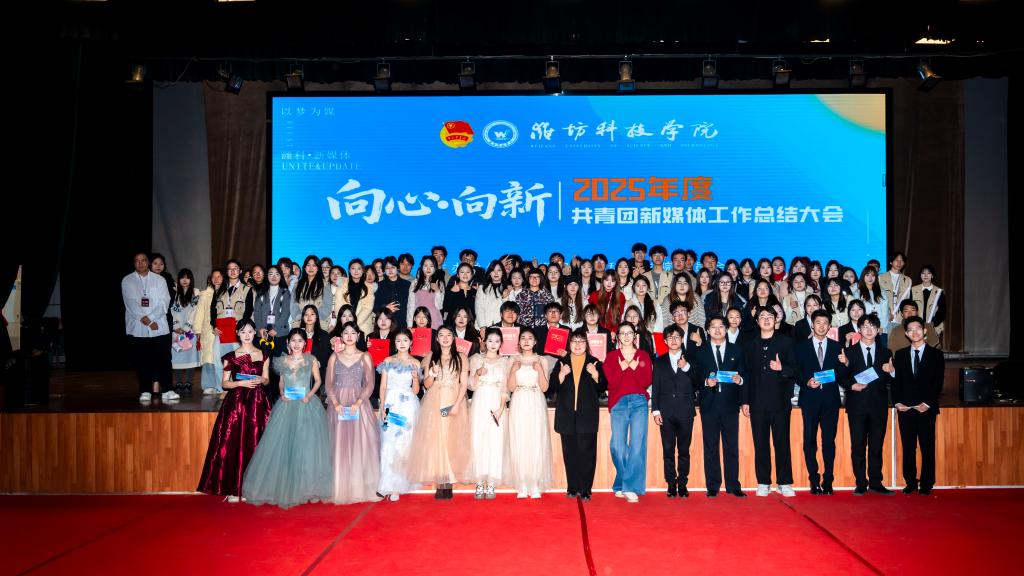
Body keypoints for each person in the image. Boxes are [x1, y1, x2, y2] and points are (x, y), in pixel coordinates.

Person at [241, 329, 332, 509]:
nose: (296, 344)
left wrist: (309, 395)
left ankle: (309, 488)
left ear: (305, 343)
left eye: (300, 340)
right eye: (293, 340)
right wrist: (282, 393)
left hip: (306, 404)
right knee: (286, 446)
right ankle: (285, 486)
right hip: (287, 405)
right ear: (288, 343)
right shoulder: (283, 361)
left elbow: (318, 381)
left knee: (307, 447)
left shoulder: (311, 359)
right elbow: (281, 382)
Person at [197, 319, 272, 501]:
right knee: (233, 443)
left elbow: (267, 379)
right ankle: (232, 488)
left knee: (255, 442)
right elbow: (225, 383)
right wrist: (240, 383)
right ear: (237, 333)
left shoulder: (263, 354)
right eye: (243, 331)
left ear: (255, 333)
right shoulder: (230, 356)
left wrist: (261, 380)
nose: (247, 335)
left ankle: (250, 487)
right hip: (236, 403)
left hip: (257, 403)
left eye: (250, 331)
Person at [406, 326, 471, 499]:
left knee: (451, 438)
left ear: (453, 338)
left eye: (449, 335)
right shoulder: (430, 356)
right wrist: (433, 373)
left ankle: (449, 479)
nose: (445, 338)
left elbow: (464, 384)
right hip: (435, 401)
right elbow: (427, 385)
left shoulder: (461, 357)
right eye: (441, 335)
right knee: (438, 438)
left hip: (453, 400)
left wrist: (457, 404)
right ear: (437, 338)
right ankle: (441, 479)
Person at [743, 306, 798, 497]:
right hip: (757, 402)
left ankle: (784, 482)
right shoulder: (750, 345)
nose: (766, 319)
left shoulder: (786, 343)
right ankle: (763, 482)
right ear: (757, 321)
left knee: (782, 442)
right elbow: (746, 375)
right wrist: (745, 401)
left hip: (780, 401)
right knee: (760, 443)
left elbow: (795, 369)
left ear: (776, 320)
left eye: (770, 316)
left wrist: (782, 368)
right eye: (762, 317)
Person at [325, 322, 382, 504]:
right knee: (339, 444)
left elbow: (370, 384)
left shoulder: (365, 356)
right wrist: (335, 403)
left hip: (359, 404)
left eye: (353, 333)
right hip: (338, 405)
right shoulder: (334, 357)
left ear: (358, 335)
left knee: (360, 444)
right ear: (341, 336)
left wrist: (358, 401)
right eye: (346, 332)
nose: (349, 336)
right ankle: (340, 486)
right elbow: (328, 384)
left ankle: (358, 486)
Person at [838, 313, 894, 496]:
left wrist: (892, 371)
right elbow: (841, 376)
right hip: (857, 405)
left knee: (876, 446)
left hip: (878, 406)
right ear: (859, 329)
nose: (869, 330)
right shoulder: (849, 352)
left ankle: (876, 482)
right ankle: (861, 482)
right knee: (858, 445)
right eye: (865, 326)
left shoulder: (886, 353)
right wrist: (851, 385)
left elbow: (890, 380)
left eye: (873, 327)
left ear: (878, 330)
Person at [888, 315, 944, 496]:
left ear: (924, 331)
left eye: (918, 328)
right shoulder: (900, 355)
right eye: (910, 330)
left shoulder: (936, 355)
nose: (914, 332)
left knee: (927, 447)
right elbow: (897, 382)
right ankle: (911, 482)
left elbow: (938, 383)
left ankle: (927, 483)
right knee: (908, 447)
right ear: (906, 333)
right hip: (906, 409)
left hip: (926, 409)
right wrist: (897, 402)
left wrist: (927, 403)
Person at [550, 328, 607, 501]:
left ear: (586, 344)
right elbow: (552, 387)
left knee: (587, 454)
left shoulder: (594, 362)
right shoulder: (562, 362)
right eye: (574, 341)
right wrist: (561, 375)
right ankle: (572, 487)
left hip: (586, 416)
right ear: (569, 344)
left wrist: (595, 374)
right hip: (566, 415)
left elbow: (603, 386)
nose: (577, 345)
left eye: (581, 341)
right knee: (570, 454)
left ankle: (586, 489)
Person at [795, 310, 847, 495]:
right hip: (809, 399)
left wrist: (846, 364)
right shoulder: (801, 347)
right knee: (809, 440)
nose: (822, 326)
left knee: (828, 441)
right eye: (818, 322)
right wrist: (806, 381)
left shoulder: (837, 346)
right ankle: (814, 480)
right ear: (812, 324)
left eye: (825, 323)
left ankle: (828, 480)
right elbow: (796, 371)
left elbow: (842, 374)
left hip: (830, 400)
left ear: (829, 326)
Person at [694, 317, 747, 498]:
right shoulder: (700, 351)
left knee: (731, 446)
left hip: (730, 404)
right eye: (713, 327)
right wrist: (704, 381)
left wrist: (740, 380)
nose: (717, 330)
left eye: (721, 326)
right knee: (710, 447)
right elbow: (694, 376)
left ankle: (733, 485)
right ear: (707, 330)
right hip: (709, 404)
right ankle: (713, 485)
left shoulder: (737, 350)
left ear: (726, 329)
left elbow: (744, 374)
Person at [603, 321, 653, 503]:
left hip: (639, 402)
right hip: (619, 403)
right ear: (617, 337)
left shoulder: (643, 356)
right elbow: (611, 382)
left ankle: (629, 487)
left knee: (637, 445)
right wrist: (623, 367)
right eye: (622, 333)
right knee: (617, 445)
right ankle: (623, 482)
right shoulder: (611, 357)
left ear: (635, 336)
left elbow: (646, 381)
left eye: (629, 333)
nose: (626, 336)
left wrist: (633, 367)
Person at [121, 252, 176, 402]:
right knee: (142, 360)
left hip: (159, 327)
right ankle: (145, 390)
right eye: (137, 261)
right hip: (138, 327)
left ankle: (168, 390)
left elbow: (164, 301)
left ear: (148, 262)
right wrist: (149, 322)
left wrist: (151, 319)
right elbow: (131, 304)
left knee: (164, 359)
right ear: (134, 263)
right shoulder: (127, 280)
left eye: (143, 260)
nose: (140, 263)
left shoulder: (159, 280)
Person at [505, 328, 553, 498]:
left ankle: (535, 483)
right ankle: (522, 483)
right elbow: (510, 387)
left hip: (535, 400)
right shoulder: (512, 359)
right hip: (519, 399)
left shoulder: (542, 360)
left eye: (530, 338)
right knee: (519, 440)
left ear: (535, 342)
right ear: (519, 342)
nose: (526, 341)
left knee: (536, 440)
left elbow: (545, 387)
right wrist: (513, 370)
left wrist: (539, 370)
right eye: (523, 338)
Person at [651, 323, 698, 498]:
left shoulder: (691, 358)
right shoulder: (659, 361)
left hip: (686, 411)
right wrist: (656, 410)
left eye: (677, 337)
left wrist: (686, 367)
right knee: (668, 450)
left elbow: (698, 382)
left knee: (684, 450)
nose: (673, 340)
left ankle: (683, 483)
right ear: (665, 341)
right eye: (670, 337)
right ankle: (671, 483)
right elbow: (656, 387)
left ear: (682, 339)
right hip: (666, 412)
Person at [377, 328, 422, 501]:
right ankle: (386, 483)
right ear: (394, 343)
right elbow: (382, 386)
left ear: (411, 342)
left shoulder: (415, 363)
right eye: (398, 340)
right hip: (390, 403)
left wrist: (416, 378)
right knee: (388, 442)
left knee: (403, 443)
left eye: (405, 340)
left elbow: (416, 390)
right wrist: (382, 407)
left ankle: (397, 485)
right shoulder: (388, 361)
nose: (402, 344)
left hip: (408, 406)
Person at [467, 328, 509, 499]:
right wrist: (477, 373)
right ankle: (479, 481)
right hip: (480, 400)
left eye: (497, 341)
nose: (493, 344)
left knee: (495, 441)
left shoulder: (505, 362)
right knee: (478, 439)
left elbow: (505, 388)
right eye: (490, 340)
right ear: (485, 342)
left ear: (501, 344)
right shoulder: (476, 359)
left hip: (496, 402)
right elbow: (471, 385)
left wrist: (501, 408)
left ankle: (491, 482)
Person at [170, 268, 201, 393]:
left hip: (190, 331)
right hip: (176, 331)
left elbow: (195, 311)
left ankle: (188, 381)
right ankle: (178, 381)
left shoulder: (195, 293)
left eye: (187, 278)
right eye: (182, 277)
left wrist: (187, 327)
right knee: (177, 356)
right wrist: (176, 326)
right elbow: (171, 311)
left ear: (191, 279)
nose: (185, 280)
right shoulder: (174, 292)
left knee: (190, 356)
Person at [194, 269, 224, 395]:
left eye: (219, 276)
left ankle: (221, 385)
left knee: (221, 358)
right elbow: (199, 312)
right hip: (208, 331)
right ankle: (208, 385)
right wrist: (197, 329)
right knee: (208, 359)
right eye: (214, 277)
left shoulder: (226, 292)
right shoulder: (205, 294)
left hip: (222, 330)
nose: (216, 279)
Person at [374, 256, 411, 329]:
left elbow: (411, 305)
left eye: (393, 267)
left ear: (397, 268)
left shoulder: (407, 285)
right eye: (387, 268)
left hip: (403, 324)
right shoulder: (378, 286)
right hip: (385, 325)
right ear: (384, 270)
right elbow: (373, 306)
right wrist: (385, 307)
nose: (390, 270)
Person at [878, 252, 912, 330]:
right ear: (891, 262)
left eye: (901, 261)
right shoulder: (880, 277)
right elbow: (878, 299)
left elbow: (907, 300)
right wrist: (887, 313)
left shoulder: (908, 280)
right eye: (896, 260)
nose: (899, 263)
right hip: (885, 316)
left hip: (900, 318)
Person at [912, 265, 947, 341]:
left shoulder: (939, 291)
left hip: (933, 327)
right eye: (923, 273)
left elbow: (942, 311)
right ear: (920, 275)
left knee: (931, 347)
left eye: (928, 273)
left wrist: (933, 323)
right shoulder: (913, 290)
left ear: (932, 276)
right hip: (916, 327)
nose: (925, 275)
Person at [475, 260, 509, 329]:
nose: (496, 273)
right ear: (490, 273)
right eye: (493, 270)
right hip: (483, 327)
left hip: (502, 327)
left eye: (499, 270)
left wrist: (505, 299)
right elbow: (479, 309)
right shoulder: (482, 288)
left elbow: (510, 310)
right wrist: (482, 326)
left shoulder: (508, 289)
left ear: (503, 272)